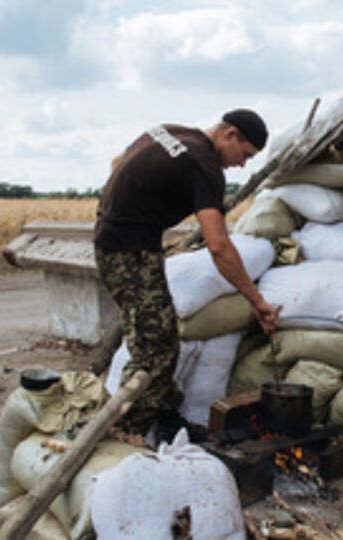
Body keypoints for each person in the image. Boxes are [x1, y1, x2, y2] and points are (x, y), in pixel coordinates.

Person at [95, 109, 280, 443]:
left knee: (155, 335)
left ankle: (167, 418)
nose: (242, 165)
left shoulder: (168, 131)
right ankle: (120, 434)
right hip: (130, 252)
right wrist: (256, 300)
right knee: (156, 350)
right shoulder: (204, 166)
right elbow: (219, 246)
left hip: (117, 243)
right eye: (245, 155)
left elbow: (118, 162)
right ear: (230, 134)